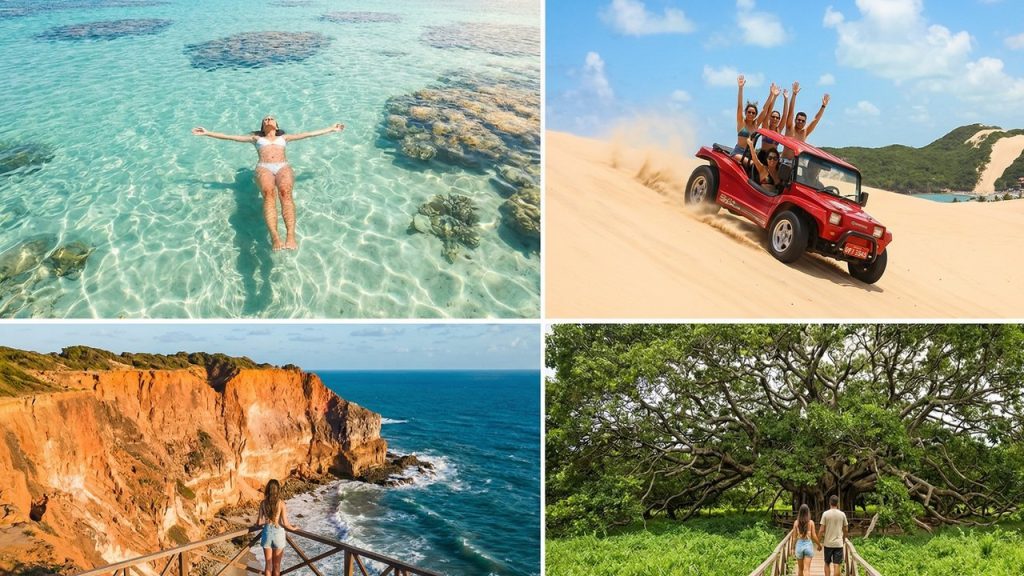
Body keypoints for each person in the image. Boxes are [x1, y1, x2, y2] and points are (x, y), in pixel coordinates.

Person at [192, 117, 345, 251]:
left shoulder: (284, 137)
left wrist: (331, 129)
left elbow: (308, 134)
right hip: (264, 167)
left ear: (276, 125)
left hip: (283, 166)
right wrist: (207, 133)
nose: (268, 120)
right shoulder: (256, 139)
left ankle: (290, 236)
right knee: (268, 195)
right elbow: (231, 137)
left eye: (271, 118)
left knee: (285, 194)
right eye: (265, 119)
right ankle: (275, 236)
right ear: (262, 126)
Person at [256, 479, 297, 576]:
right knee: (277, 565)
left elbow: (259, 522)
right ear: (277, 490)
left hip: (267, 533)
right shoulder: (281, 503)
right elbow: (286, 523)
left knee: (268, 565)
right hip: (278, 534)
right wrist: (294, 528)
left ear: (268, 489)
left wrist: (265, 522)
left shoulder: (263, 503)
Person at [732, 75, 772, 162]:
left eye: (753, 113)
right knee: (752, 164)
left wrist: (771, 94)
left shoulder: (756, 124)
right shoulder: (741, 123)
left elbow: (765, 110)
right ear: (745, 112)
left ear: (755, 115)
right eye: (749, 112)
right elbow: (739, 107)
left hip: (750, 154)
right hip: (738, 152)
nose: (751, 114)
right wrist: (740, 88)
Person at [819, 495, 849, 576]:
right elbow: (846, 529)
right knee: (837, 565)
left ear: (829, 503)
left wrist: (818, 542)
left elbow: (821, 530)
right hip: (838, 543)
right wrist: (844, 538)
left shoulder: (825, 514)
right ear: (837, 503)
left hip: (828, 543)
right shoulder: (842, 514)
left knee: (827, 563)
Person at [790, 504, 820, 576]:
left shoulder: (796, 523)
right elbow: (814, 536)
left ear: (800, 512)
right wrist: (819, 545)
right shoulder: (811, 522)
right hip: (808, 546)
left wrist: (792, 548)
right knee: (806, 569)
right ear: (808, 512)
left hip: (799, 546)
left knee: (800, 569)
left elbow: (794, 537)